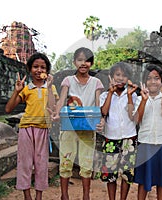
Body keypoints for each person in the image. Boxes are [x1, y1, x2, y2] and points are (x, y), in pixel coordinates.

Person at [51, 47, 104, 200]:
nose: (83, 63)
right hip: (69, 125)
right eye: (80, 60)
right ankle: (64, 195)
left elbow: (97, 103)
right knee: (66, 160)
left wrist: (100, 120)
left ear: (91, 63)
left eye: (87, 60)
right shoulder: (68, 80)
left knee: (87, 162)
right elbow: (62, 99)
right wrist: (56, 113)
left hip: (87, 126)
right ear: (74, 62)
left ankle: (86, 196)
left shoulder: (96, 82)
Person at [5, 52, 59, 200]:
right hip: (26, 129)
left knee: (41, 164)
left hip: (43, 130)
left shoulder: (51, 88)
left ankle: (39, 196)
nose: (39, 70)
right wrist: (16, 92)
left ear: (47, 71)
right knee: (25, 163)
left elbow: (53, 108)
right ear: (30, 69)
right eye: (35, 67)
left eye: (43, 67)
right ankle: (27, 195)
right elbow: (8, 109)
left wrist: (49, 87)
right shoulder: (26, 89)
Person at [133, 64, 162, 200]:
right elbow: (136, 120)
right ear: (144, 82)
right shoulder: (139, 99)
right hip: (145, 143)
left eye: (156, 78)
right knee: (143, 180)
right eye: (149, 78)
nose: (153, 81)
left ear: (161, 82)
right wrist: (144, 101)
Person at [98, 61, 138, 200]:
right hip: (111, 138)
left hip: (129, 138)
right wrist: (110, 92)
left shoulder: (133, 95)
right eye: (117, 75)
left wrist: (128, 96)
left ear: (128, 79)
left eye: (124, 75)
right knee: (110, 173)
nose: (121, 78)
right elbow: (103, 112)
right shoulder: (105, 95)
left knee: (127, 173)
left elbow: (132, 116)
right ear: (111, 76)